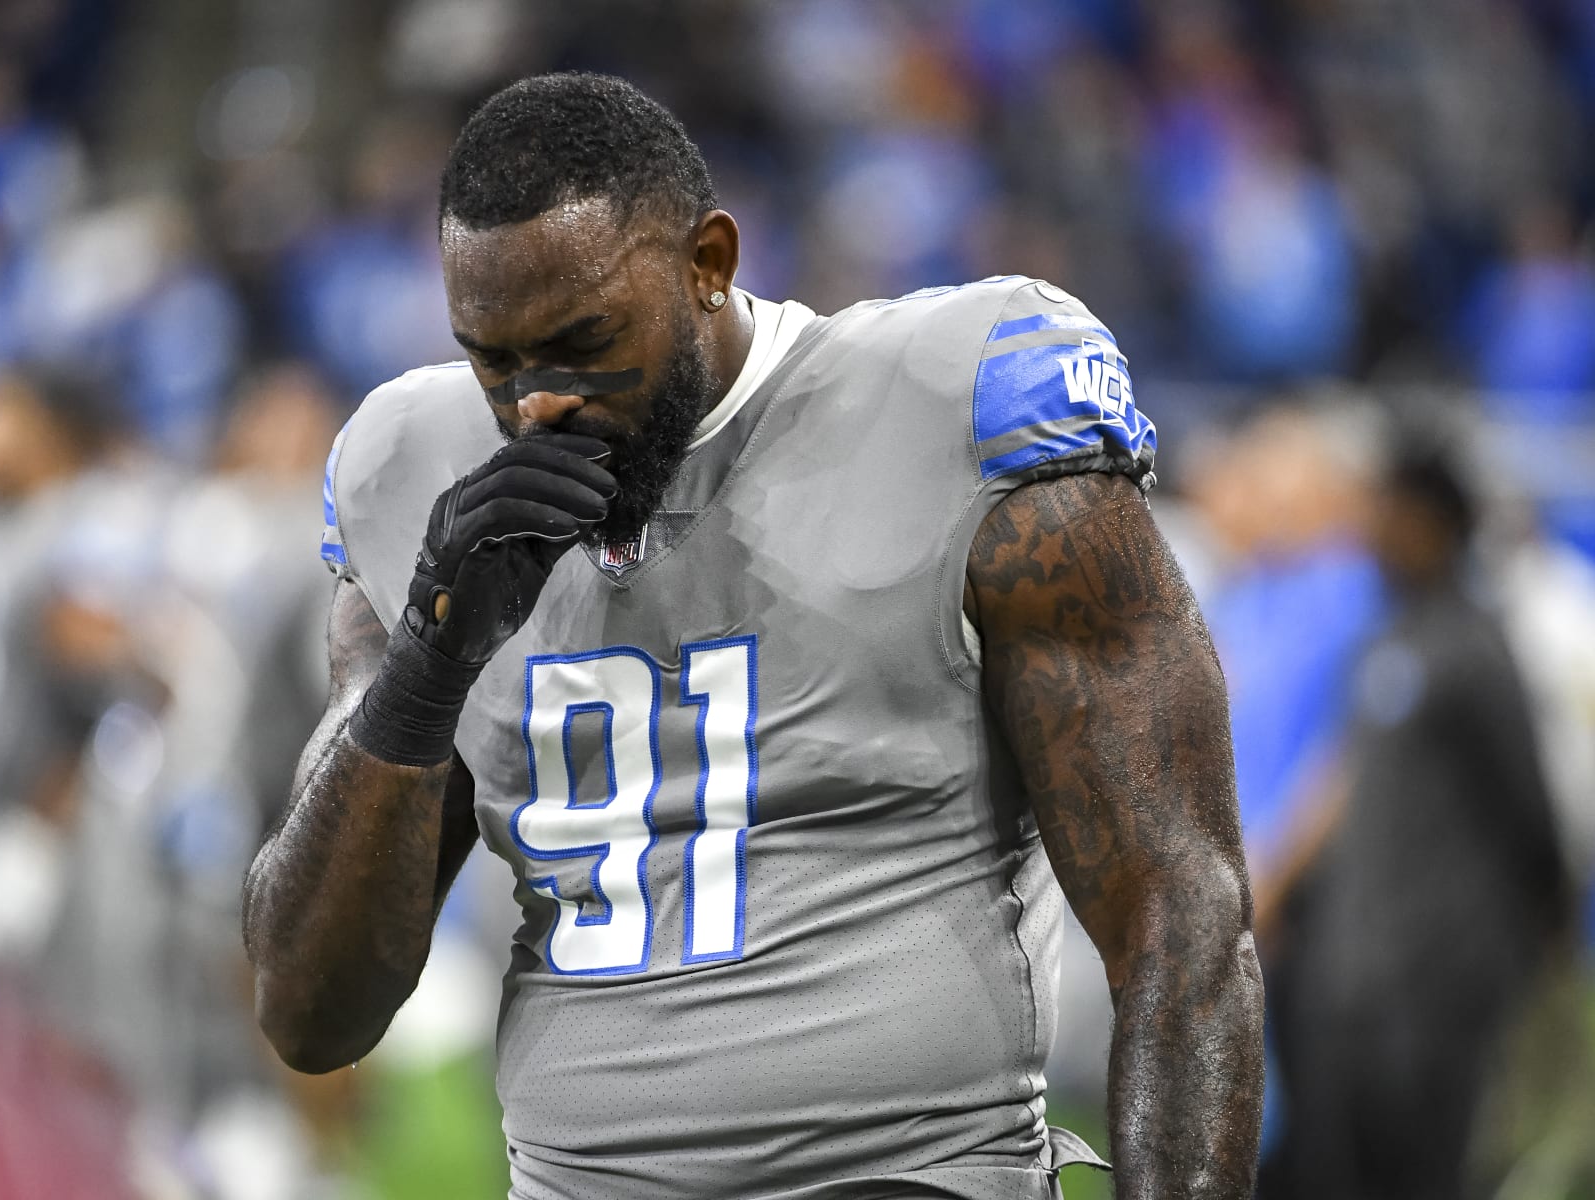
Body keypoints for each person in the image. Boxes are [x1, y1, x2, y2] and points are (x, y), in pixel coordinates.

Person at [244, 73, 1263, 1200]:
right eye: (497, 360)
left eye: (585, 342)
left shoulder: (953, 400)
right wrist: (429, 669)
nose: (539, 405)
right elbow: (309, 1010)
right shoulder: (411, 467)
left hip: (909, 1176)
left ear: (708, 263)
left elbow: (1182, 908)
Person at [1257, 436, 1574, 1200]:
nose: (1371, 530)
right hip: (1353, 978)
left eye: (1388, 511)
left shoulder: (1474, 650)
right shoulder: (1383, 642)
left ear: (1431, 522)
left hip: (1438, 983)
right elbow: (1344, 788)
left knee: (1424, 1175)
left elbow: (1533, 812)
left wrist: (1541, 942)